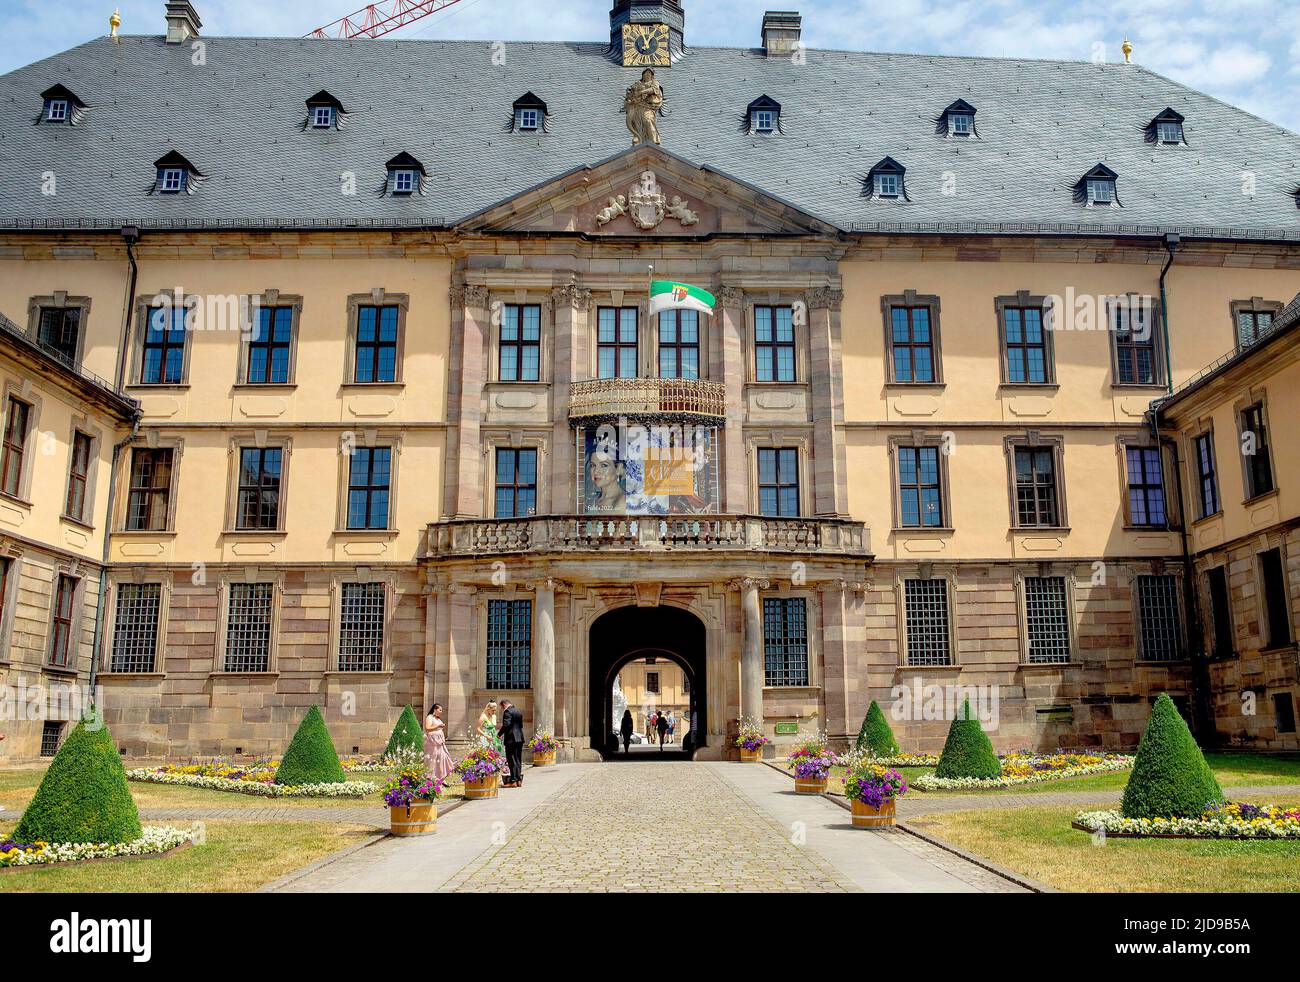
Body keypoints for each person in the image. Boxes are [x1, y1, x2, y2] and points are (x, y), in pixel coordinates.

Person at [423, 703, 455, 783]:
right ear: (435, 709)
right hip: (432, 743)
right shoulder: (429, 717)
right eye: (440, 710)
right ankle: (431, 778)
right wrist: (437, 727)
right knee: (433, 760)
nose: (441, 711)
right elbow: (427, 728)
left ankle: (441, 778)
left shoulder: (438, 719)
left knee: (443, 758)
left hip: (440, 743)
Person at [499, 699, 525, 788]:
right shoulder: (518, 711)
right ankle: (519, 780)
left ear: (504, 705)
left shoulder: (508, 712)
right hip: (520, 738)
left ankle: (513, 781)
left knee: (511, 760)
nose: (502, 710)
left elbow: (506, 725)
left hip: (511, 739)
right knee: (518, 760)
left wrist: (499, 734)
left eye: (502, 708)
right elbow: (521, 725)